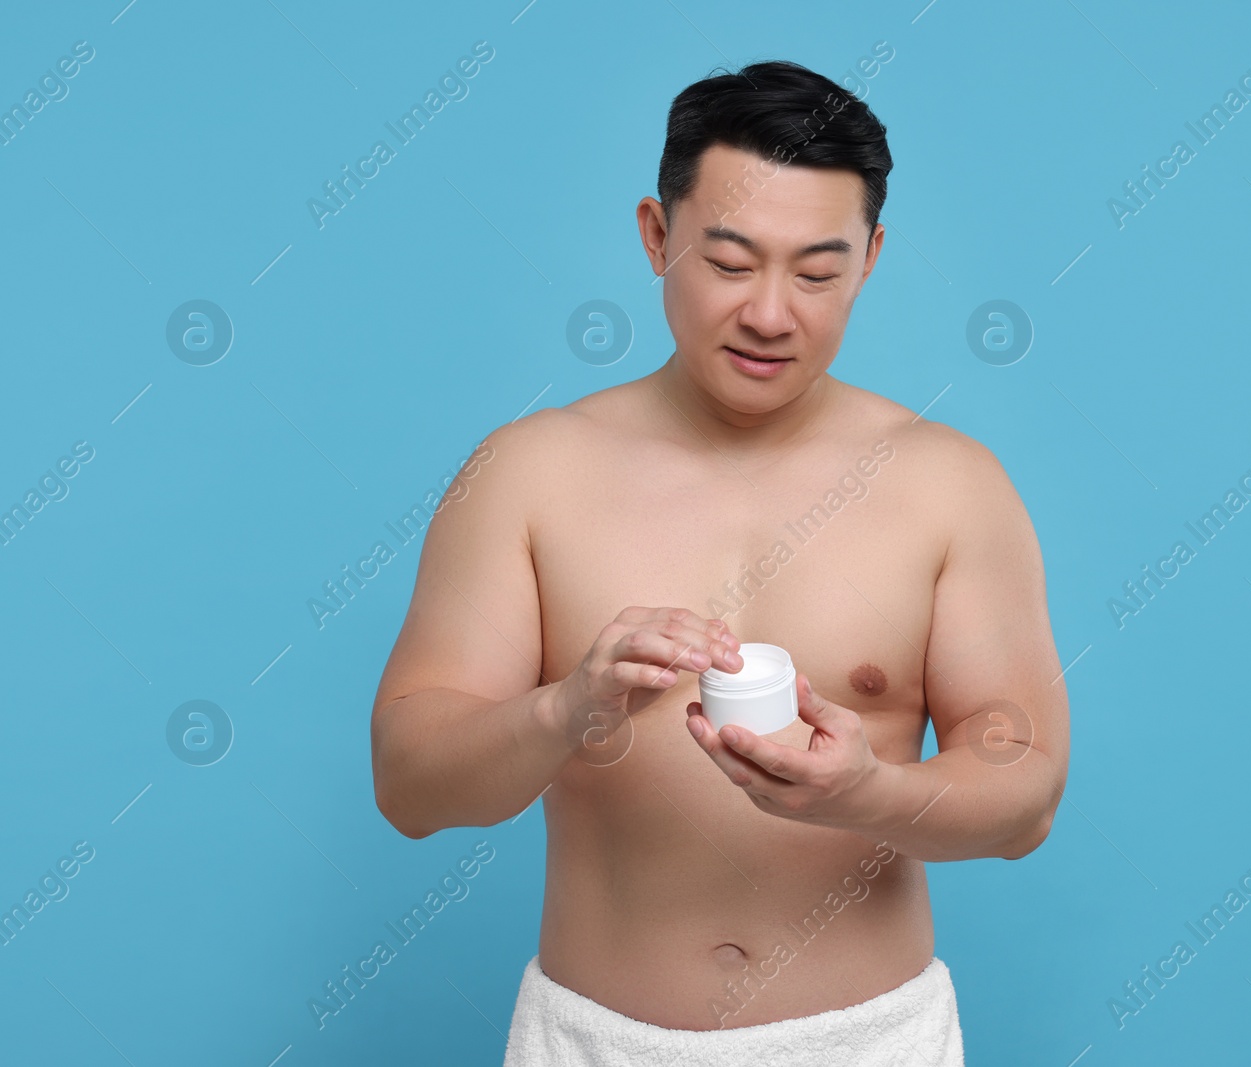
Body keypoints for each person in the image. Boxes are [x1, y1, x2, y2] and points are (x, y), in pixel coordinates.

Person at [370, 58, 1069, 1066]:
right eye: (731, 263)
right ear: (657, 236)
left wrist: (864, 792)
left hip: (869, 1039)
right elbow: (409, 785)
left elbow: (1027, 794)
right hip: (593, 1040)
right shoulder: (528, 474)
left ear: (870, 258)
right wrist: (567, 708)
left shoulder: (948, 486)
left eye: (818, 272)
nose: (772, 314)